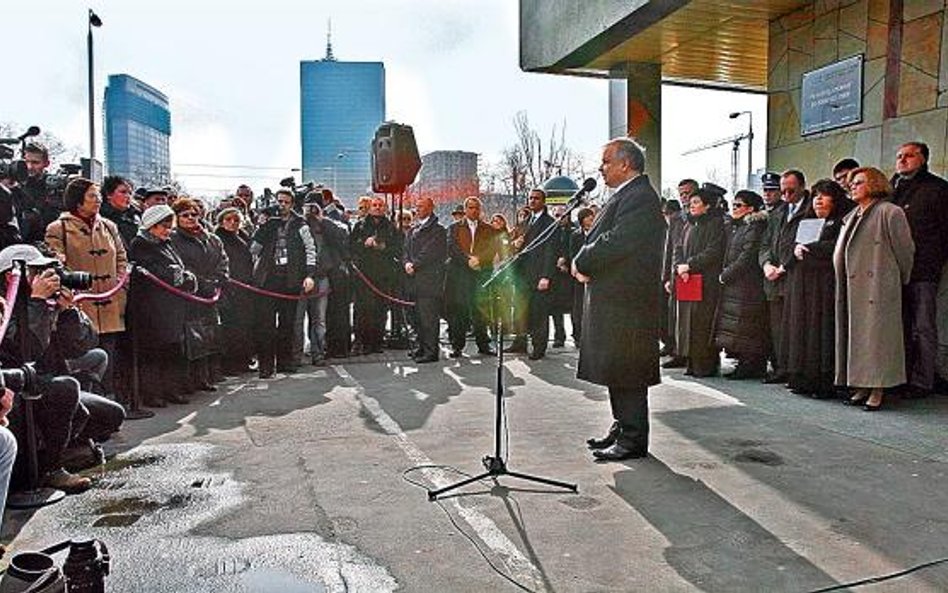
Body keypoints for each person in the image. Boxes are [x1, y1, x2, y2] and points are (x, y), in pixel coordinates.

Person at [573, 138, 665, 462]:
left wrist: (582, 260)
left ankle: (633, 438)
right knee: (617, 367)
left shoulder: (639, 197)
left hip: (628, 303)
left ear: (625, 164)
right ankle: (622, 426)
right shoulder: (627, 194)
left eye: (606, 162)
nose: (601, 168)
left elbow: (617, 241)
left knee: (628, 370)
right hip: (616, 299)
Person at [835, 167, 915, 411]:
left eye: (859, 182)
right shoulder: (852, 215)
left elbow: (905, 251)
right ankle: (860, 384)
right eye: (851, 183)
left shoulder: (890, 212)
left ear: (875, 184)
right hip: (851, 287)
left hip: (877, 287)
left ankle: (877, 388)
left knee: (877, 340)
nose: (852, 186)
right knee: (858, 338)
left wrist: (892, 280)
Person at [784, 180, 854, 397]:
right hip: (803, 285)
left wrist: (810, 249)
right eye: (815, 195)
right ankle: (801, 377)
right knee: (802, 329)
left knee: (822, 330)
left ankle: (824, 381)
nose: (818, 200)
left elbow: (838, 248)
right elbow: (789, 246)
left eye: (824, 195)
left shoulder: (841, 222)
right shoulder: (806, 221)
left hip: (825, 285)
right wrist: (796, 250)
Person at [890, 142, 948, 398]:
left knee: (923, 326)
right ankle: (898, 375)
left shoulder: (937, 189)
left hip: (923, 269)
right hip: (892, 271)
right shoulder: (890, 188)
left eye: (910, 156)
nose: (902, 160)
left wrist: (934, 259)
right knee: (897, 325)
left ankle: (924, 380)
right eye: (899, 156)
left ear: (923, 159)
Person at [128, 205, 196, 406]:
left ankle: (171, 389)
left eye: (169, 226)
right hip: (151, 308)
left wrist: (185, 277)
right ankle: (152, 393)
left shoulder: (166, 244)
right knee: (153, 353)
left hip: (171, 307)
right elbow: (161, 272)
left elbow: (178, 269)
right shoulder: (140, 244)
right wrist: (181, 276)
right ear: (151, 226)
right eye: (163, 226)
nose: (167, 231)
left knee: (171, 350)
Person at [250, 190, 317, 377]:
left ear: (292, 204)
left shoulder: (300, 224)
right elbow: (254, 248)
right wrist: (262, 227)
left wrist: (310, 274)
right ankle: (266, 366)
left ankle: (285, 363)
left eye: (286, 202)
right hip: (267, 281)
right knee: (266, 325)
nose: (282, 205)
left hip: (291, 280)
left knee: (288, 324)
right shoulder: (269, 223)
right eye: (279, 201)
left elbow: (311, 249)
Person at [758, 169, 811, 384]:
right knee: (778, 327)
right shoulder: (778, 212)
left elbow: (805, 243)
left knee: (796, 327)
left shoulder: (810, 211)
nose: (787, 195)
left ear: (802, 187)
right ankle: (781, 367)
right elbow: (765, 244)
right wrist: (766, 264)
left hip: (795, 278)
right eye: (784, 190)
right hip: (773, 280)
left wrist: (783, 267)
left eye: (791, 190)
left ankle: (795, 370)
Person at [171, 198, 229, 391]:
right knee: (190, 338)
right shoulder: (173, 239)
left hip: (210, 294)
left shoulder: (211, 238)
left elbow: (223, 260)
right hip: (188, 295)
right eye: (185, 215)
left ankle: (205, 377)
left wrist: (219, 279)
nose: (190, 218)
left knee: (209, 336)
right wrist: (200, 282)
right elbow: (179, 265)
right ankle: (187, 381)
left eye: (193, 214)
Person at [672, 185, 727, 377]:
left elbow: (713, 251)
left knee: (702, 323)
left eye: (696, 202)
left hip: (706, 281)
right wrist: (679, 266)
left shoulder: (715, 224)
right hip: (686, 279)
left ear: (707, 206)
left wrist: (691, 265)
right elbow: (677, 248)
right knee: (687, 323)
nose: (691, 206)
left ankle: (705, 365)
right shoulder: (688, 224)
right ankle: (691, 362)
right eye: (691, 203)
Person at [715, 190, 769, 380]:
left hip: (748, 285)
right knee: (739, 326)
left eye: (738, 205)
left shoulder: (754, 227)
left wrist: (726, 275)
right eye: (733, 205)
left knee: (748, 326)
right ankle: (744, 362)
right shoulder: (736, 226)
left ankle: (751, 364)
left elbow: (747, 256)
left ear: (751, 208)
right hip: (736, 284)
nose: (734, 209)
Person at [445, 197, 498, 358]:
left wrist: (479, 260)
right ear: (466, 209)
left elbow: (492, 248)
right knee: (459, 311)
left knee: (480, 310)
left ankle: (484, 345)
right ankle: (457, 346)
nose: (474, 211)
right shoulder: (454, 228)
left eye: (477, 208)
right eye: (471, 208)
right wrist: (467, 260)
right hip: (460, 274)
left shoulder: (488, 229)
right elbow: (451, 247)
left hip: (481, 274)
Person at [511, 189, 556, 360]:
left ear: (543, 201)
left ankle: (539, 347)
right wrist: (516, 244)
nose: (532, 201)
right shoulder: (525, 221)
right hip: (522, 274)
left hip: (538, 275)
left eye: (536, 198)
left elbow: (550, 251)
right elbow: (516, 246)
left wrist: (546, 276)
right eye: (530, 198)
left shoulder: (549, 223)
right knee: (521, 311)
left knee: (539, 313)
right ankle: (520, 343)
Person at [349, 196, 396, 355]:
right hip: (364, 275)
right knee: (363, 309)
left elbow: (399, 248)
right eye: (374, 205)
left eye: (380, 205)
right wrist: (364, 243)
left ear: (384, 208)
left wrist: (384, 247)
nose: (377, 208)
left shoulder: (390, 227)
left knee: (381, 309)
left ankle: (377, 342)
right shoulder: (360, 226)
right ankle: (361, 341)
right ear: (370, 207)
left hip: (383, 275)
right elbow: (350, 247)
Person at [403, 197, 447, 363]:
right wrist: (406, 262)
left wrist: (414, 264)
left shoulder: (437, 230)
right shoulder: (413, 230)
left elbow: (430, 252)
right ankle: (420, 348)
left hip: (429, 282)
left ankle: (431, 351)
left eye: (421, 206)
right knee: (417, 318)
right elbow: (405, 250)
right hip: (413, 281)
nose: (417, 209)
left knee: (429, 318)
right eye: (416, 206)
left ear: (430, 208)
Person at [214, 207, 255, 375]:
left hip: (245, 286)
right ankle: (230, 364)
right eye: (228, 220)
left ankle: (243, 361)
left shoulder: (243, 237)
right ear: (222, 221)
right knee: (231, 327)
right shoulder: (218, 238)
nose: (232, 223)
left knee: (244, 326)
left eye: (236, 220)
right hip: (229, 286)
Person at [660, 199, 685, 361]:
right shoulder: (670, 223)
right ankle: (672, 346)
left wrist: (668, 277)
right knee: (669, 315)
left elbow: (675, 251)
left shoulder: (677, 221)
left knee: (677, 315)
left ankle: (677, 350)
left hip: (679, 275)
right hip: (671, 275)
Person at [569, 207, 595, 345]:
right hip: (578, 275)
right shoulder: (575, 235)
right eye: (588, 217)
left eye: (592, 217)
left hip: (593, 275)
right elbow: (572, 255)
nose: (591, 219)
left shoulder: (598, 233)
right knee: (578, 307)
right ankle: (577, 335)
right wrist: (578, 273)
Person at [99, 176, 142, 249]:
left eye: (130, 193)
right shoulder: (100, 217)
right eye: (123, 192)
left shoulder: (135, 216)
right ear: (109, 194)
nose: (128, 196)